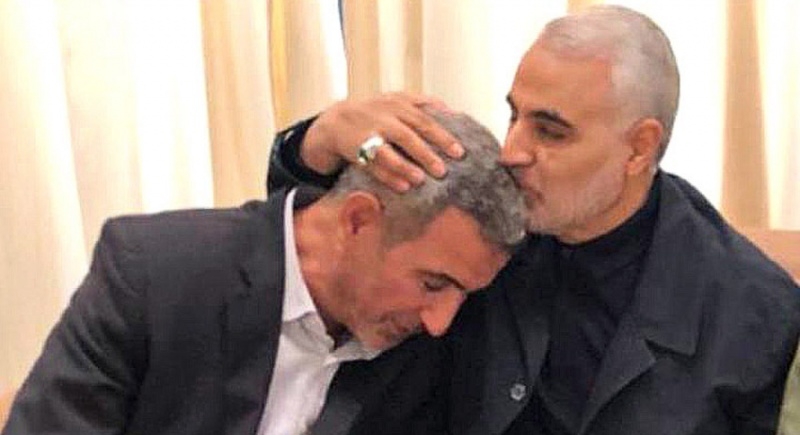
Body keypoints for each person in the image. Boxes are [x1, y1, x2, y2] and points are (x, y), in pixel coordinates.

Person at [267, 5, 800, 435]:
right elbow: (319, 245)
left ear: (639, 147)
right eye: (514, 115)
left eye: (550, 131)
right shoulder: (485, 213)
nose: (513, 151)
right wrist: (313, 144)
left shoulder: (753, 311)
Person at [2, 109, 526, 435]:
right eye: (433, 284)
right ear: (358, 220)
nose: (439, 321)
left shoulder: (430, 346)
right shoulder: (156, 275)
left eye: (461, 293)